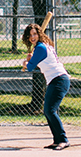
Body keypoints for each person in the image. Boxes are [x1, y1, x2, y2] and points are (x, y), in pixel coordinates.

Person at [21, 22, 70, 150]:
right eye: (30, 35)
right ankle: (57, 140)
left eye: (35, 34)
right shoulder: (44, 46)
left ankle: (63, 140)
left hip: (59, 79)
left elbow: (31, 67)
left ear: (39, 34)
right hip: (56, 80)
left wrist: (26, 62)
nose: (32, 37)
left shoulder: (41, 48)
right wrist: (31, 60)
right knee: (48, 110)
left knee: (50, 110)